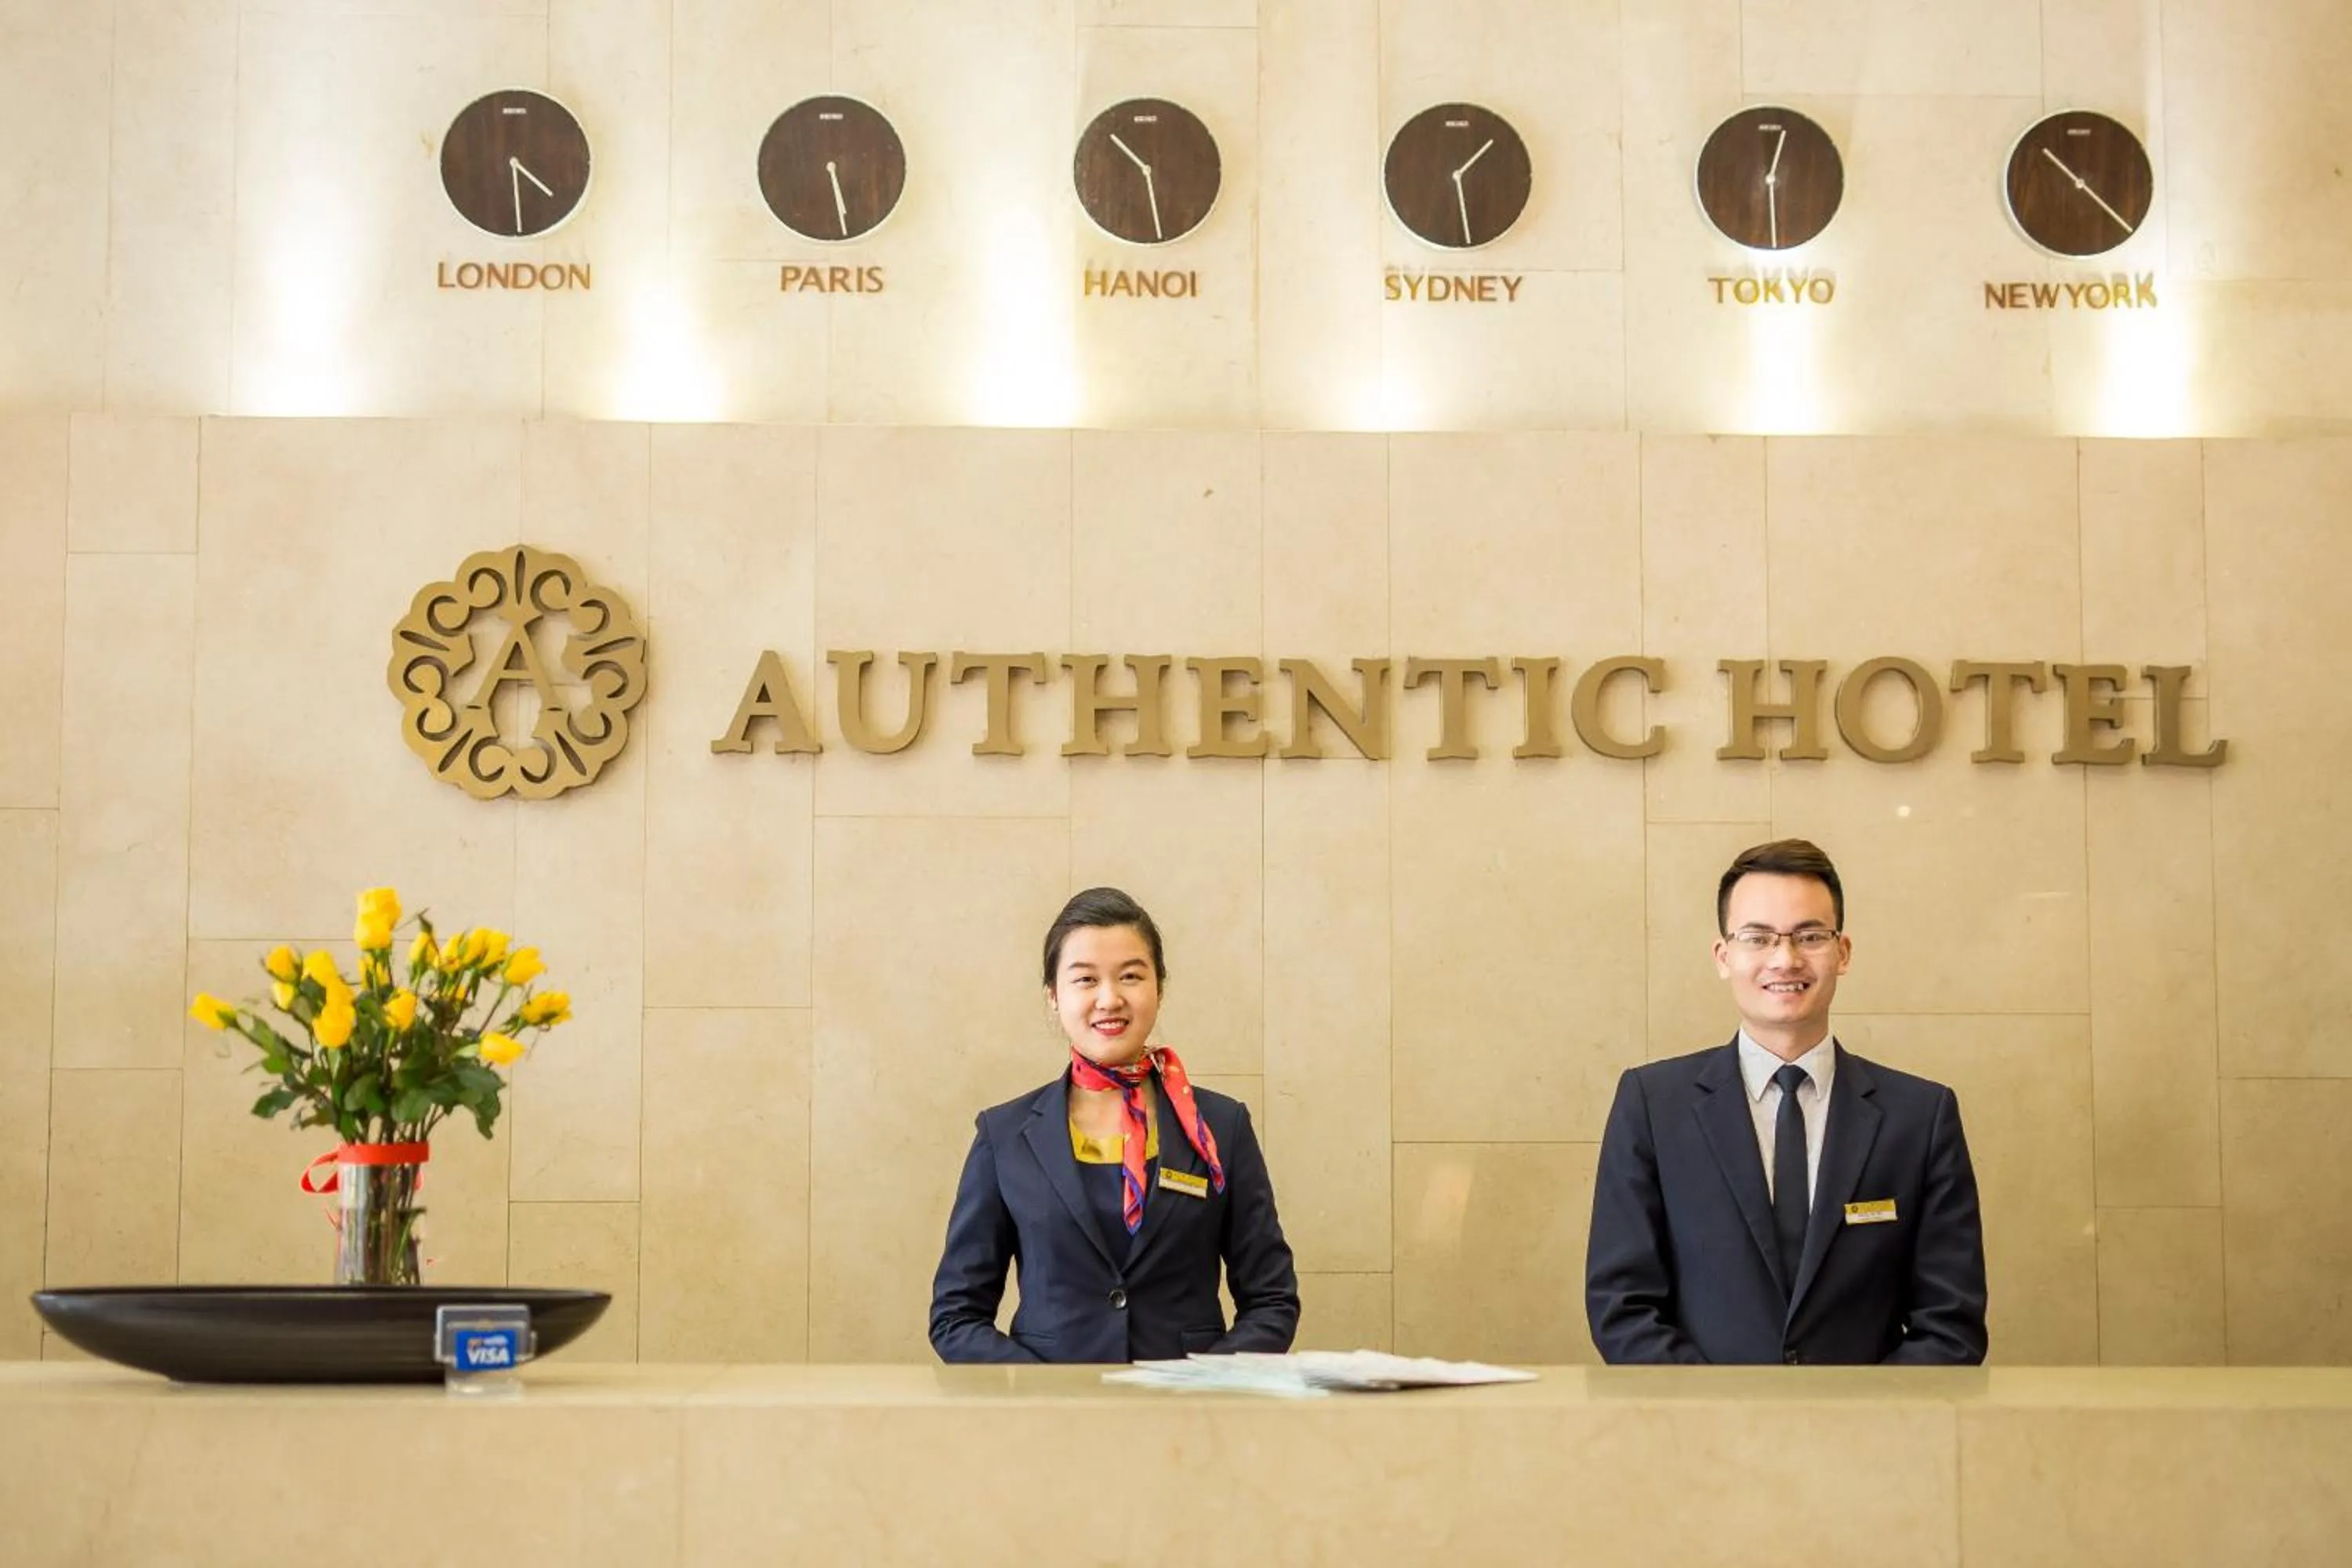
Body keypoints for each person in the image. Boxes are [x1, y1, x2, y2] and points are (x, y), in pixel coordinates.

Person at [1585, 839, 1988, 1365]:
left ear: (1842, 952)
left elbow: (1951, 1324)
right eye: (1758, 938)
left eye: (1810, 936)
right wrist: (1727, 1421)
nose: (1785, 958)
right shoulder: (1653, 1106)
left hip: (1870, 1438)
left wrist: (1860, 1426)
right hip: (1700, 1436)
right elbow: (1623, 1308)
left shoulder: (1921, 1116)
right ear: (1723, 956)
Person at [929, 886, 1300, 1363]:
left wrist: (1208, 1387)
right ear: (1053, 996)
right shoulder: (1004, 1136)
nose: (1109, 998)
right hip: (1052, 1421)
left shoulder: (1221, 1127)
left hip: (1188, 1422)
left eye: (1130, 976)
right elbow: (955, 1317)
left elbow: (1272, 1301)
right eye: (1085, 980)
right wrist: (1044, 1390)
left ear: (1159, 989)